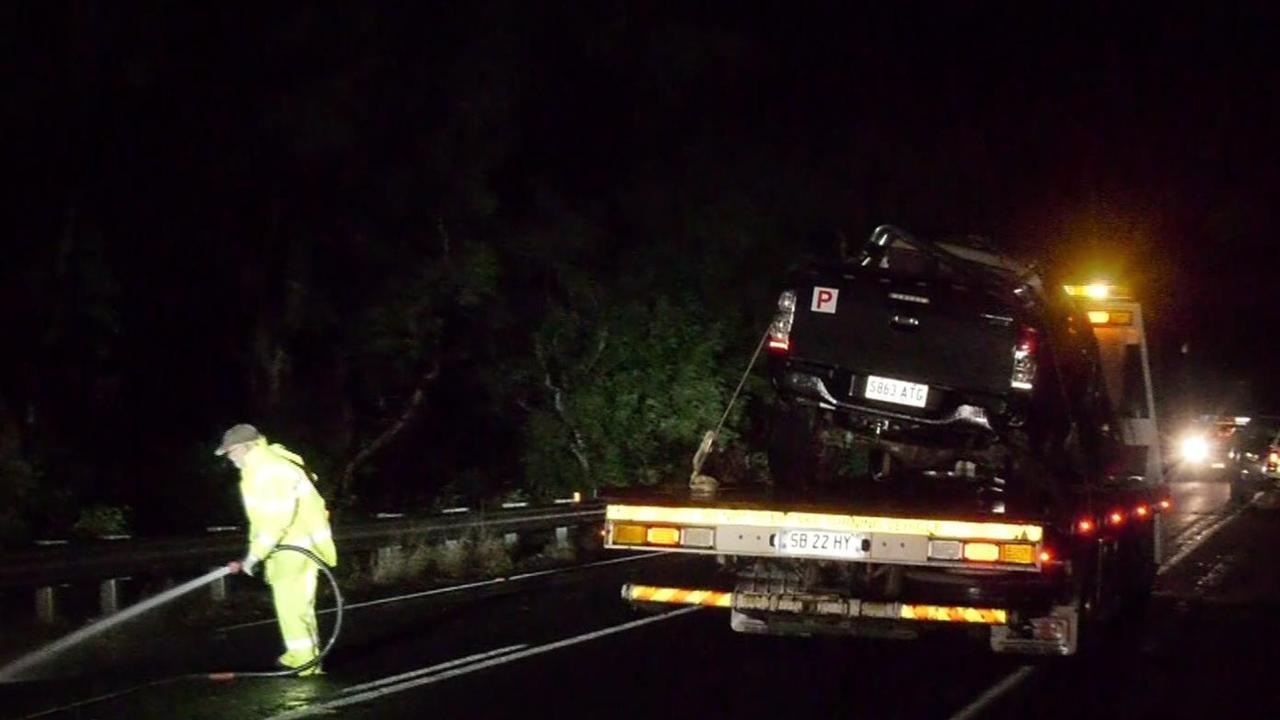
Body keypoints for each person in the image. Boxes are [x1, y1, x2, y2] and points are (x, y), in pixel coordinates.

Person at [215, 423, 338, 675]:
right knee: (298, 606)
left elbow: (275, 519)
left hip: (294, 547)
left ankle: (306, 666)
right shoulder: (262, 467)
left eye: (231, 452)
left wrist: (255, 556)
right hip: (293, 546)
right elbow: (262, 519)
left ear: (243, 448)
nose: (230, 458)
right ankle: (301, 656)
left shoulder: (268, 471)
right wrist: (255, 552)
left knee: (291, 607)